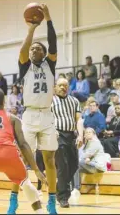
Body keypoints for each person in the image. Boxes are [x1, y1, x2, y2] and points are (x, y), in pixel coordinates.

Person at [7, 4, 58, 214]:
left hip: (46, 115)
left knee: (49, 160)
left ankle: (52, 202)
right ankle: (13, 200)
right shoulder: (25, 66)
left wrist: (48, 19)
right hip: (28, 115)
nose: (34, 49)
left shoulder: (50, 64)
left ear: (44, 53)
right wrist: (31, 29)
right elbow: (22, 50)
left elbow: (53, 43)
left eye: (38, 48)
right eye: (32, 48)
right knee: (21, 160)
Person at [51, 78, 83, 208]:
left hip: (71, 135)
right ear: (55, 87)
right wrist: (51, 130)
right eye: (60, 85)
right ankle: (63, 197)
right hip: (57, 134)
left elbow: (79, 119)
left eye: (65, 85)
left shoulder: (74, 101)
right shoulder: (50, 101)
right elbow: (46, 117)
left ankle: (59, 187)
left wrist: (81, 135)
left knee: (74, 164)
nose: (63, 88)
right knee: (63, 165)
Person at [71, 128, 109, 199]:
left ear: (94, 134)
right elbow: (83, 156)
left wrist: (86, 157)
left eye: (90, 132)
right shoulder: (88, 143)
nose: (88, 133)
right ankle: (75, 188)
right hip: (90, 165)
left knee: (77, 162)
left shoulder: (95, 142)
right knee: (75, 167)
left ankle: (76, 187)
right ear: (84, 135)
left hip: (98, 166)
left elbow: (85, 156)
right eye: (86, 132)